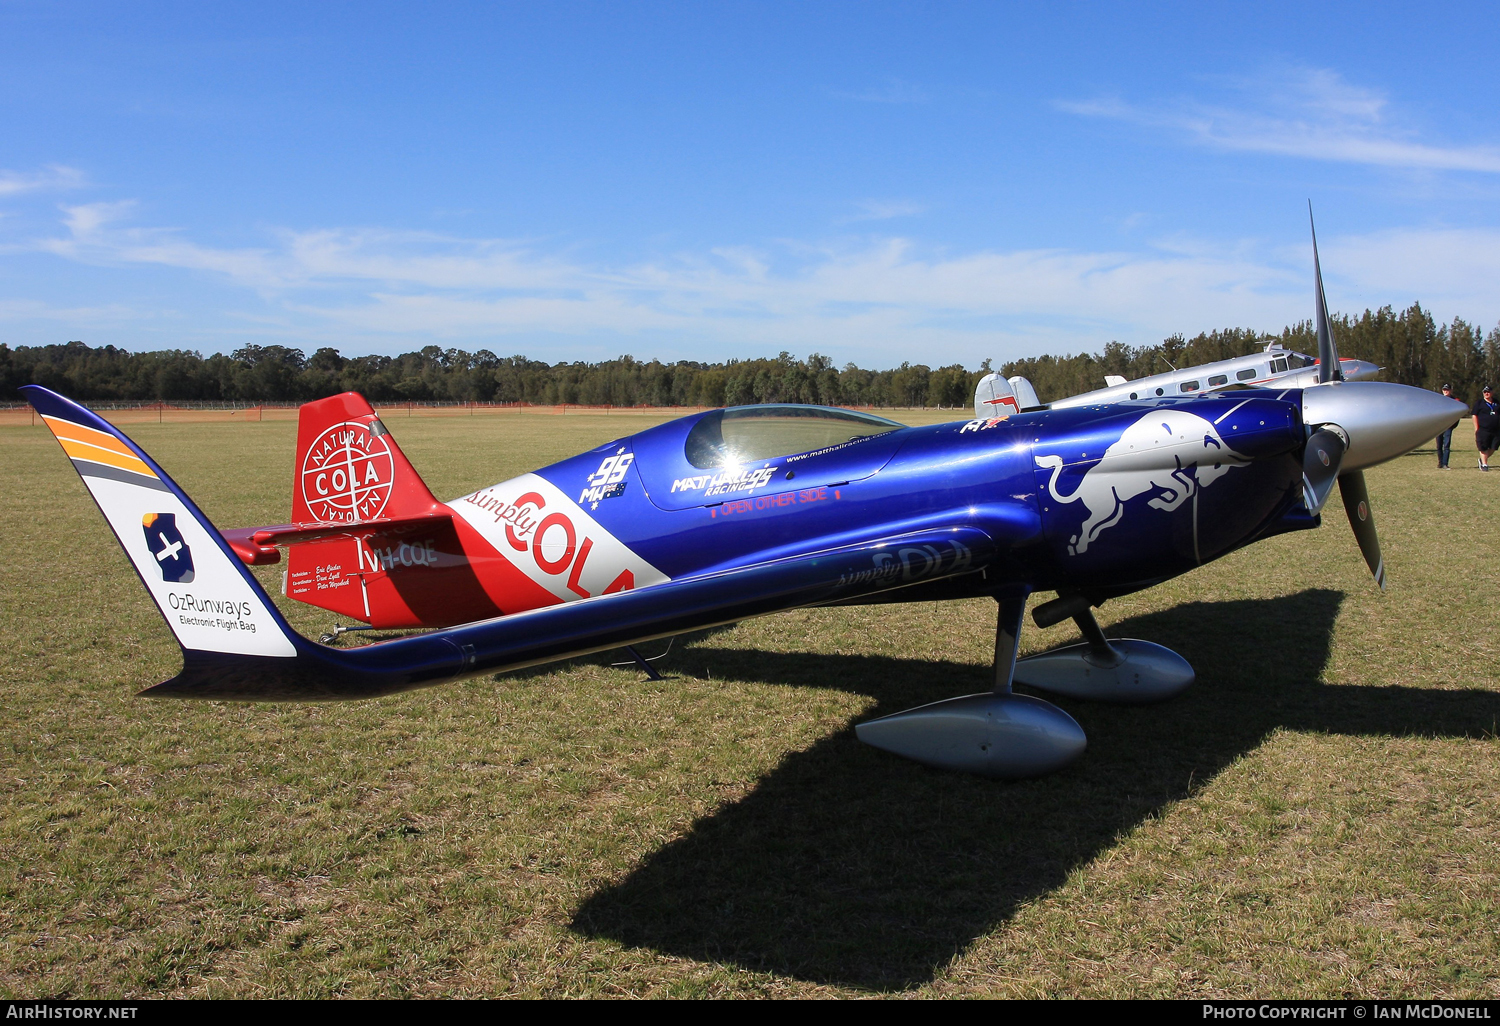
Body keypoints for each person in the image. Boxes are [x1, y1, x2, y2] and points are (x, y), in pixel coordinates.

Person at [1475, 385, 1500, 471]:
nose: (1486, 393)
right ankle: (1484, 464)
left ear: (1492, 393)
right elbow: (1474, 415)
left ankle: (1482, 460)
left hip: (1496, 429)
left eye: (1488, 392)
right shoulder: (1479, 403)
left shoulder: (1497, 402)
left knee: (1494, 447)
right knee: (1484, 447)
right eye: (1485, 392)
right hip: (1483, 429)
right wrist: (1476, 427)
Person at [1436, 384, 1457, 468]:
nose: (1446, 391)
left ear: (1451, 391)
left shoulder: (1454, 401)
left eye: (1447, 390)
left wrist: (1453, 425)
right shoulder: (1438, 400)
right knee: (1439, 445)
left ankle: (1445, 463)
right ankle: (1440, 462)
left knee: (1447, 446)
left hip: (1448, 426)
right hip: (1439, 426)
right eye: (1444, 390)